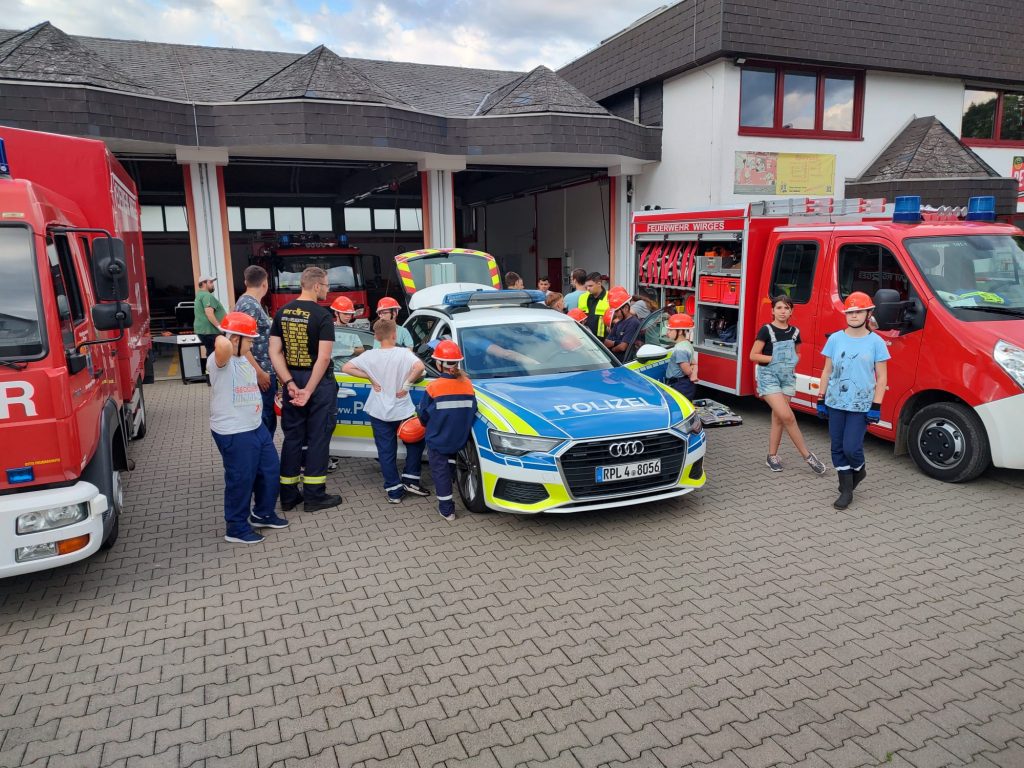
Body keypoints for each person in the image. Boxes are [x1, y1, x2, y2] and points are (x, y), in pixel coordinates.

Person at [209, 312, 288, 544]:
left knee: (270, 470)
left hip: (255, 426)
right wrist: (229, 334)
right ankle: (236, 527)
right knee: (240, 479)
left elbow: (238, 347)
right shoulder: (219, 361)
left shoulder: (243, 357)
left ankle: (263, 513)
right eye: (250, 339)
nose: (253, 343)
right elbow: (222, 344)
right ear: (235, 340)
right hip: (234, 431)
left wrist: (241, 340)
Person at [269, 266, 342, 513]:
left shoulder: (282, 313)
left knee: (292, 438)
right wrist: (309, 390)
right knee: (318, 439)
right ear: (316, 286)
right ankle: (314, 496)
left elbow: (274, 352)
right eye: (327, 285)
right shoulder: (322, 316)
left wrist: (289, 383)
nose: (328, 289)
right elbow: (322, 359)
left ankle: (288, 497)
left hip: (292, 381)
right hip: (318, 384)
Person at [817, 292, 890, 510]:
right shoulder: (835, 339)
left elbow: (882, 377)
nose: (854, 315)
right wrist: (821, 398)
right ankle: (846, 489)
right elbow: (826, 370)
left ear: (869, 313)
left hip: (861, 405)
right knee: (837, 447)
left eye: (859, 311)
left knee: (852, 447)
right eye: (850, 312)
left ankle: (860, 469)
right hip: (835, 402)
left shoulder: (876, 342)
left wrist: (876, 406)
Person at [343, 319, 429, 503]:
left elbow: (346, 367)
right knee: (414, 444)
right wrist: (406, 385)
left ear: (376, 336)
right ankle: (411, 479)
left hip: (378, 410)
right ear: (395, 335)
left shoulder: (369, 355)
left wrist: (371, 377)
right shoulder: (404, 353)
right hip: (402, 409)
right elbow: (420, 367)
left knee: (385, 451)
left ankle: (394, 490)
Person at [750, 295, 827, 475]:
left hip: (787, 378)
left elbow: (798, 353)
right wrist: (776, 359)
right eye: (779, 308)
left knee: (779, 417)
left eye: (786, 308)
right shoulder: (766, 330)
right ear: (772, 311)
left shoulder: (795, 332)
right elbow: (753, 355)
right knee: (788, 417)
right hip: (768, 376)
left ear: (791, 311)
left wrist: (792, 361)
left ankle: (772, 456)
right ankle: (808, 456)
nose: (782, 311)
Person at [416, 340, 477, 522]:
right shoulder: (468, 384)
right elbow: (472, 409)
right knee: (450, 462)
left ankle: (447, 509)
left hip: (438, 438)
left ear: (439, 363)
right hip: (460, 438)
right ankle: (451, 478)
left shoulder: (434, 387)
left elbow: (423, 415)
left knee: (440, 472)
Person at [233, 265, 276, 435]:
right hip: (259, 372)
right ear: (265, 284)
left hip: (261, 370)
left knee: (266, 417)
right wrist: (259, 372)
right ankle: (263, 458)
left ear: (245, 282)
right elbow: (242, 343)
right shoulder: (249, 306)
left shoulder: (247, 303)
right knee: (264, 418)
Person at [193, 276, 226, 374]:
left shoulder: (199, 295)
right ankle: (215, 376)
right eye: (210, 282)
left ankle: (210, 375)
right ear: (203, 283)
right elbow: (209, 313)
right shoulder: (207, 296)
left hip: (204, 331)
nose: (213, 284)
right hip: (211, 331)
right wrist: (220, 327)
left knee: (211, 353)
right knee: (215, 354)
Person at [664, 313, 698, 399]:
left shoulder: (680, 350)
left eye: (670, 330)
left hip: (679, 386)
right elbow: (694, 363)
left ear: (680, 332)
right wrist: (694, 374)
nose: (667, 333)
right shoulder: (687, 344)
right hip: (684, 385)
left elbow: (687, 371)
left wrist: (692, 374)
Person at [330, 296, 366, 372]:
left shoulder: (352, 331)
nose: (348, 317)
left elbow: (361, 350)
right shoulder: (328, 329)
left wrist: (348, 349)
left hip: (347, 371)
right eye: (345, 314)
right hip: (331, 369)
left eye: (350, 314)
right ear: (336, 313)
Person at [603, 286, 639, 361]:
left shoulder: (633, 323)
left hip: (625, 362)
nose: (615, 314)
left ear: (626, 308)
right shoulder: (618, 323)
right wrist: (617, 343)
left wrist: (613, 347)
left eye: (616, 311)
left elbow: (623, 347)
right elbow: (606, 342)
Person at [579, 272, 609, 339]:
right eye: (586, 286)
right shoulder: (583, 297)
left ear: (599, 284)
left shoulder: (609, 297)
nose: (588, 288)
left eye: (590, 286)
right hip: (587, 338)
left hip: (604, 339)